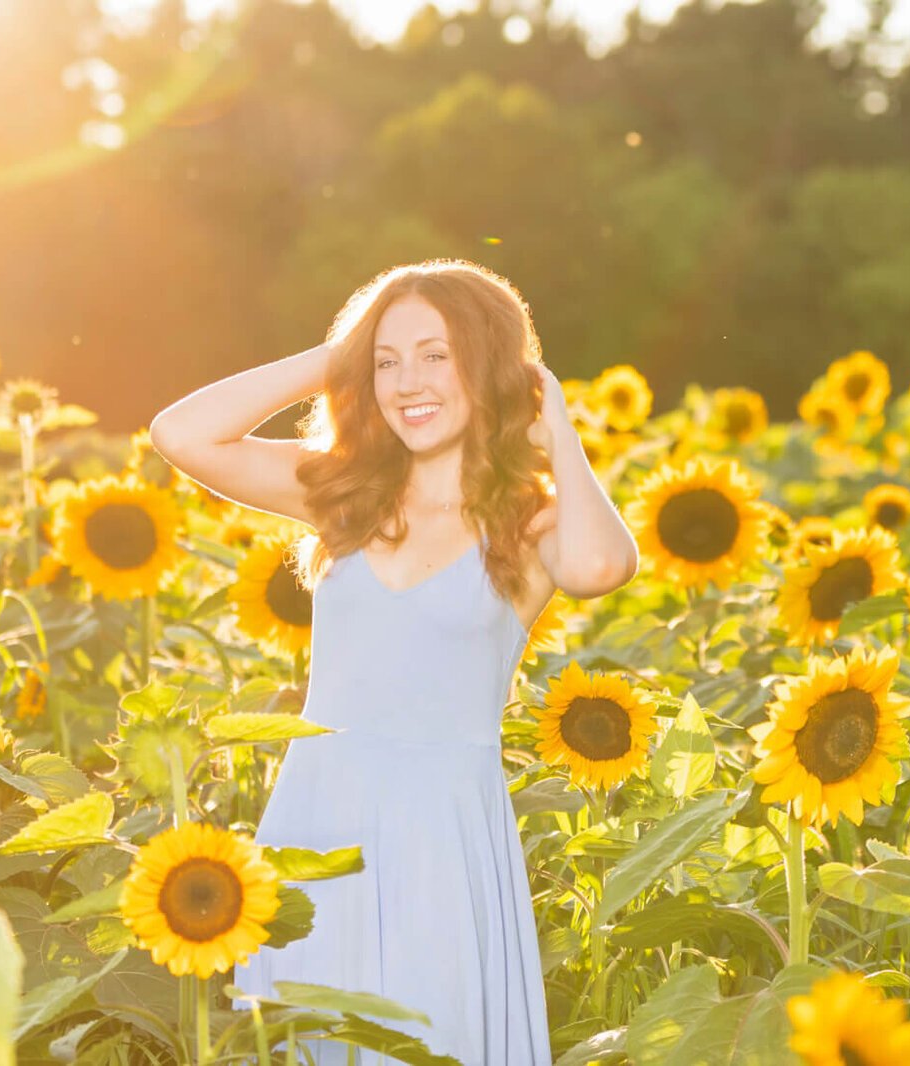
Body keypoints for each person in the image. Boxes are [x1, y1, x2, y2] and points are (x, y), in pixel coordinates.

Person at [148, 258, 639, 1065]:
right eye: (388, 360)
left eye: (436, 355)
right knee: (308, 1039)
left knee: (430, 1039)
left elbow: (598, 568)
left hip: (443, 835)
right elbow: (181, 434)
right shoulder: (344, 495)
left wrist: (560, 429)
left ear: (490, 368)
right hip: (319, 819)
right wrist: (339, 355)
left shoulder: (527, 525)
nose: (407, 380)